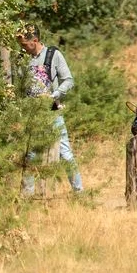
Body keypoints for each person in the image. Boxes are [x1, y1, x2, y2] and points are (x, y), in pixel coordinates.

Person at [16, 23, 83, 195]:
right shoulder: (21, 59)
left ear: (35, 40)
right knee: (29, 155)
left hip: (52, 111)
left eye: (24, 45)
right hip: (31, 113)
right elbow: (20, 88)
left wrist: (54, 95)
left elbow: (68, 80)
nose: (22, 48)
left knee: (65, 153)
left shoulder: (53, 55)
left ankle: (79, 193)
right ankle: (27, 197)